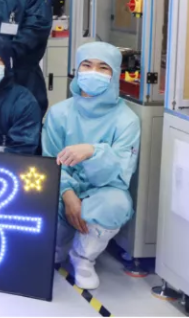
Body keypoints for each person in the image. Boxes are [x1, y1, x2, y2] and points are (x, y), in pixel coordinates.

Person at [44, 42, 140, 290]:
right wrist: (68, 195)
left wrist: (94, 152)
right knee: (50, 247)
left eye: (102, 67)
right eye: (86, 65)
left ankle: (83, 257)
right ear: (77, 70)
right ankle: (60, 244)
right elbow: (50, 161)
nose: (93, 72)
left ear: (114, 74)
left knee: (116, 203)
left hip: (100, 193)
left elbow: (120, 176)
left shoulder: (126, 120)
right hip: (62, 192)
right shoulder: (59, 113)